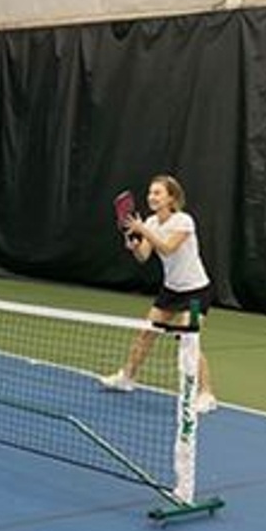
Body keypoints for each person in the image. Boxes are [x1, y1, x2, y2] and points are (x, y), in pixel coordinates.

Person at [101, 175, 217, 413]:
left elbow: (167, 248)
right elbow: (144, 256)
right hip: (170, 292)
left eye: (157, 193)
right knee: (145, 334)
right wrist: (135, 246)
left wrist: (142, 229)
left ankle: (207, 394)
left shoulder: (184, 221)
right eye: (150, 193)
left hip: (195, 293)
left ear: (171, 198)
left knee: (189, 340)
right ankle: (127, 378)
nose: (151, 197)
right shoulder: (152, 223)